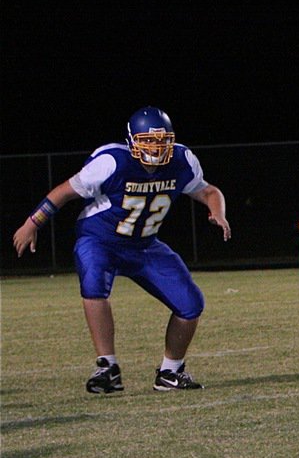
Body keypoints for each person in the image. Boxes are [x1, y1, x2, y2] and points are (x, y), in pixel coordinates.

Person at [11, 107, 230, 393]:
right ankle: (107, 368)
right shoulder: (111, 161)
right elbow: (64, 192)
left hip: (145, 245)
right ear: (132, 141)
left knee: (191, 303)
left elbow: (208, 190)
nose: (156, 147)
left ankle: (170, 372)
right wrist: (32, 223)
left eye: (162, 141)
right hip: (100, 239)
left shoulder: (181, 160)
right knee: (93, 283)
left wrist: (218, 212)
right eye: (148, 141)